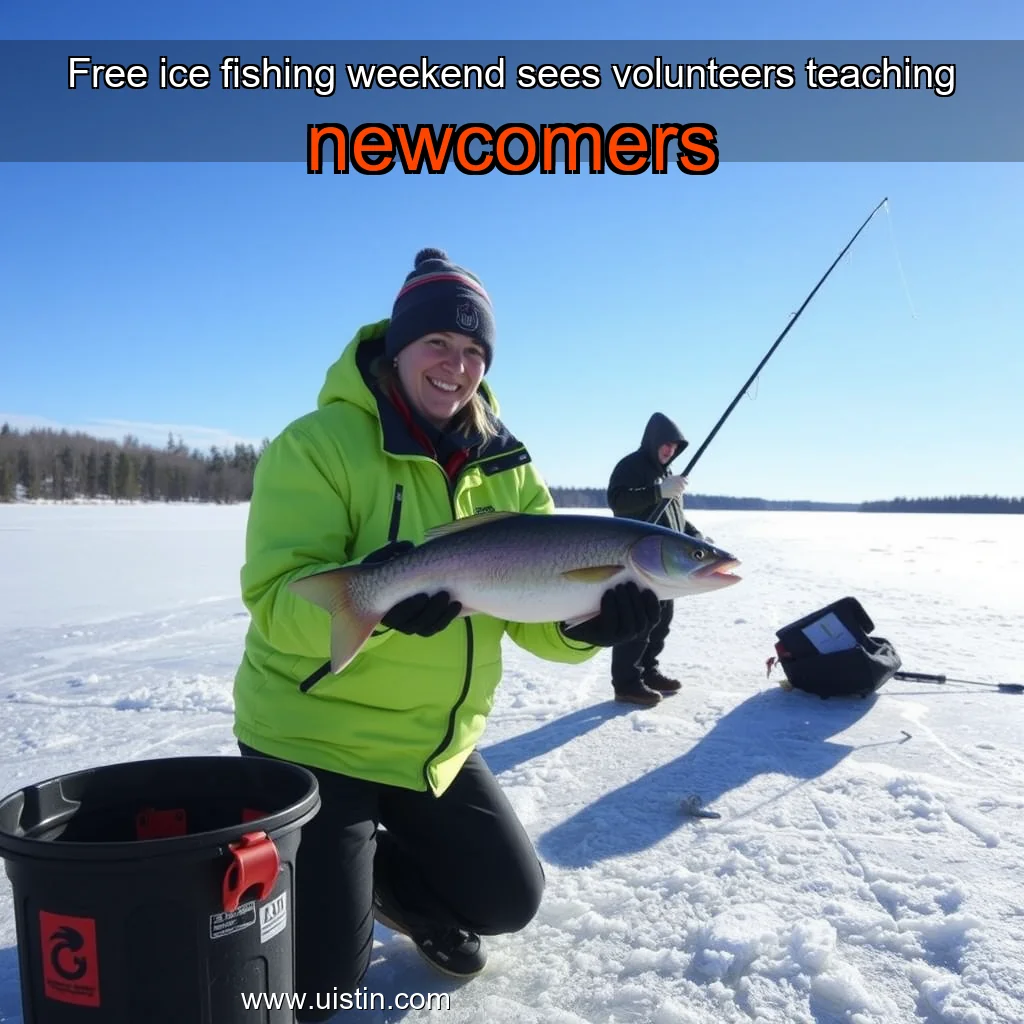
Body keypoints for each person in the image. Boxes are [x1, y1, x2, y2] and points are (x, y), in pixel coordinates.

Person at [231, 247, 661, 1022]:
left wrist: (593, 625)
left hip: (431, 747)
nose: (455, 366)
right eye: (438, 344)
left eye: (473, 352)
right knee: (325, 984)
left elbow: (532, 617)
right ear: (398, 347)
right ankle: (315, 882)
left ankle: (391, 890)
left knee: (508, 901)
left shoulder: (505, 465)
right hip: (311, 739)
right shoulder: (317, 445)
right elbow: (275, 608)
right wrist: (381, 607)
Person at [606, 412, 707, 707]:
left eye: (674, 447)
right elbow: (618, 501)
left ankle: (649, 671)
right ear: (652, 442)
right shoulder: (631, 466)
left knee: (662, 620)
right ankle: (626, 683)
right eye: (665, 444)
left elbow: (675, 518)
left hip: (666, 564)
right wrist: (657, 492)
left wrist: (694, 535)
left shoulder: (669, 476)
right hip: (637, 560)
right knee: (638, 621)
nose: (669, 450)